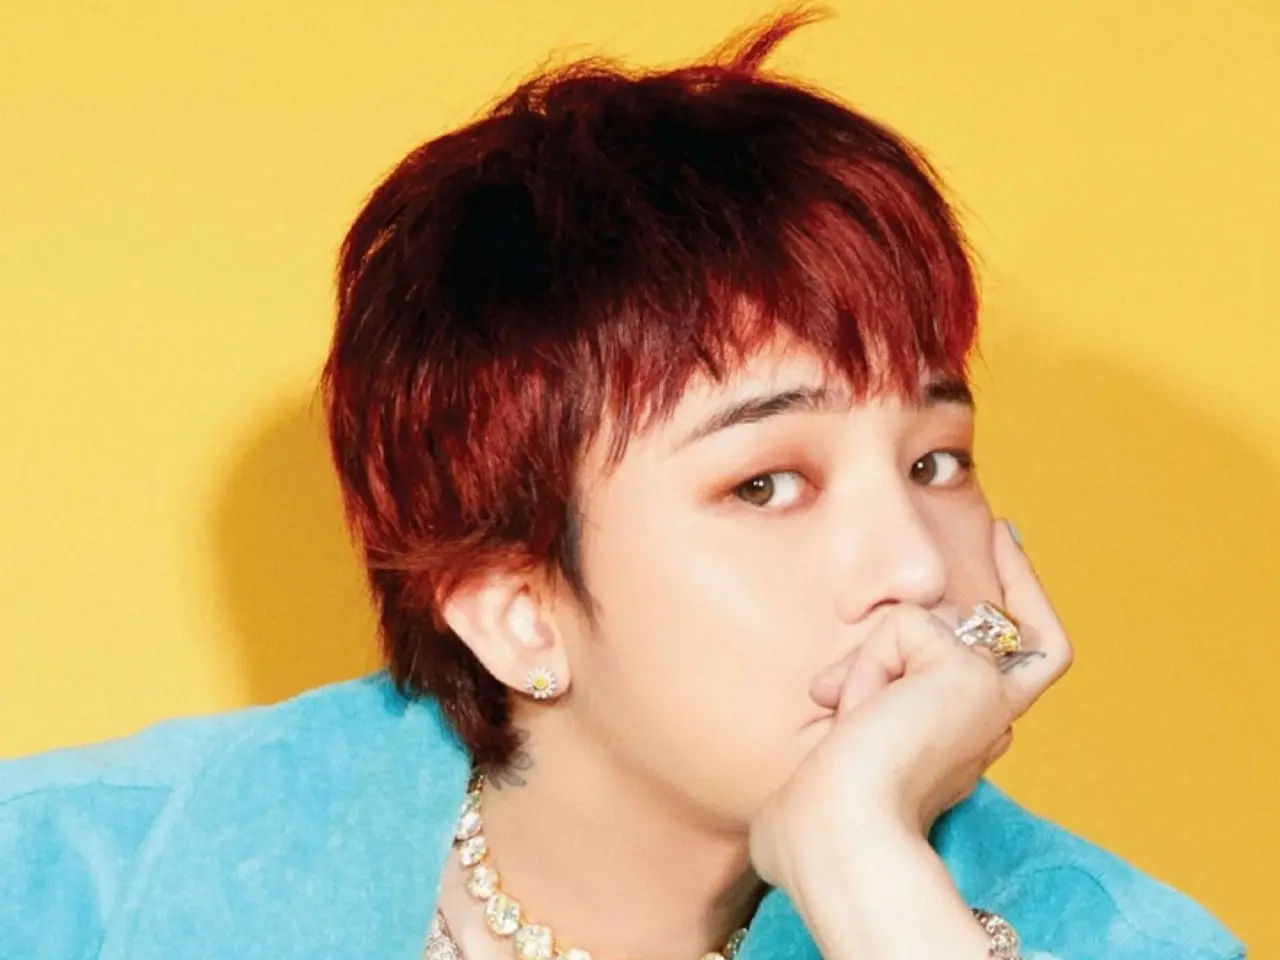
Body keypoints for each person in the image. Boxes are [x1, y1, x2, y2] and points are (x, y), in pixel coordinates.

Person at [0, 10, 1245, 960]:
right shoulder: (57, 887)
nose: (918, 564)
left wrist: (867, 876)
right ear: (517, 612)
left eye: (934, 462)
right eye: (766, 484)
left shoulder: (1114, 939)